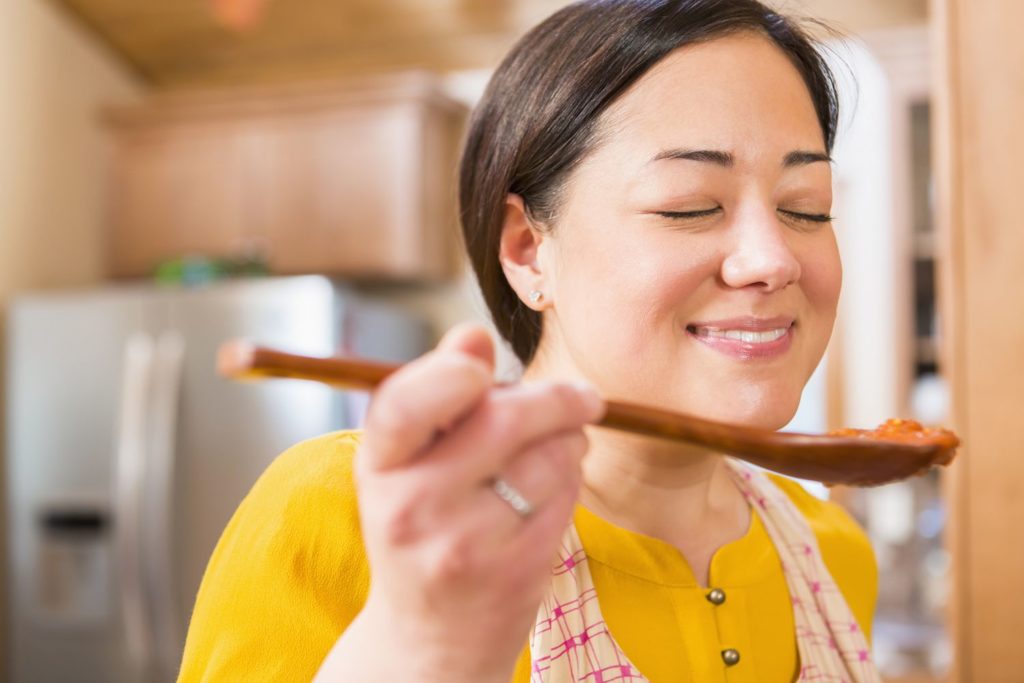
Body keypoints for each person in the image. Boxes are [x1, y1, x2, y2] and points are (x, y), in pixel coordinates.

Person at [178, 1, 880, 681]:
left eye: (805, 208)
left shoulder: (834, 549)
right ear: (527, 250)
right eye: (689, 206)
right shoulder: (346, 515)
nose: (774, 259)